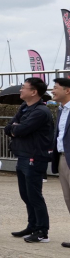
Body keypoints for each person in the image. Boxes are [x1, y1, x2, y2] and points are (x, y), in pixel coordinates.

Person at [5, 76, 55, 243]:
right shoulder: (25, 107)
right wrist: (15, 128)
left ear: (34, 92)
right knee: (25, 194)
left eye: (24, 87)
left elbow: (22, 129)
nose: (21, 90)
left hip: (35, 156)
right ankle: (32, 225)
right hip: (23, 155)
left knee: (34, 195)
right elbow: (9, 127)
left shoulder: (41, 111)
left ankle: (42, 230)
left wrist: (16, 128)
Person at [51, 77, 70, 248]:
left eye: (55, 87)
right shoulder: (61, 110)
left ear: (67, 90)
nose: (52, 91)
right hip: (62, 158)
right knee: (68, 198)